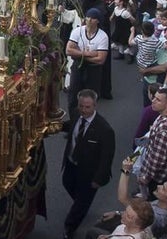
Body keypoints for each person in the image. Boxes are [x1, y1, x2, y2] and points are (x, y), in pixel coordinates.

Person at [62, 89, 116, 239]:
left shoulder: (104, 130)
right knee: (66, 183)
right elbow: (70, 125)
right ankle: (81, 205)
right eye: (81, 106)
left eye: (87, 107)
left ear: (95, 106)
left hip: (89, 172)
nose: (83, 110)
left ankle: (69, 227)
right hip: (72, 163)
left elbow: (107, 157)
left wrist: (98, 179)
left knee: (82, 201)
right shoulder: (75, 113)